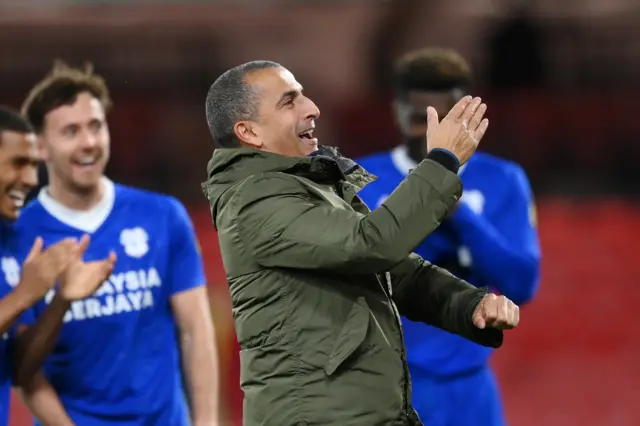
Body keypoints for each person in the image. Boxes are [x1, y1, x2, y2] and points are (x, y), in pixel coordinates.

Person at [202, 60, 521, 426]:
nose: (312, 108)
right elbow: (372, 244)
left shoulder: (310, 188)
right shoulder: (253, 203)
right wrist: (442, 162)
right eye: (289, 102)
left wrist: (469, 304)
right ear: (249, 132)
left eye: (303, 95)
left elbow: (393, 270)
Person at [16, 62, 220, 426]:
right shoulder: (19, 236)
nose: (89, 142)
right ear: (41, 148)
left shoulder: (163, 215)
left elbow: (196, 331)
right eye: (71, 131)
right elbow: (24, 369)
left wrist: (205, 422)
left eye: (96, 126)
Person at [356, 48, 541, 426]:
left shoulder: (502, 180)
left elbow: (521, 283)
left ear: (464, 113)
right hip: (384, 382)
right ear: (399, 112)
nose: (428, 130)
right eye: (417, 118)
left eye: (440, 118)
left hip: (468, 387)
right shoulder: (363, 179)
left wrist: (451, 205)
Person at [0, 106, 115, 426]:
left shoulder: (10, 242)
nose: (30, 179)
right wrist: (24, 295)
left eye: (34, 165)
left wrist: (61, 301)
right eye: (18, 164)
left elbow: (21, 371)